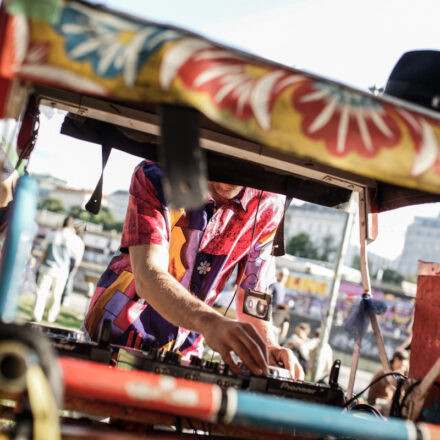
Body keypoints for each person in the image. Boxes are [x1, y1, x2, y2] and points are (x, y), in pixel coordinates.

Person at [83, 160, 303, 379]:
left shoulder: (270, 203)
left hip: (186, 348)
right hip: (115, 334)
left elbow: (255, 291)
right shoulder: (157, 173)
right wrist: (210, 322)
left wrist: (269, 345)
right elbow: (148, 274)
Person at [32, 216, 84, 322]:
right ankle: (51, 317)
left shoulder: (52, 234)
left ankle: (36, 316)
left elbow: (43, 253)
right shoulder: (74, 239)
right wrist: (71, 271)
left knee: (41, 293)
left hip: (47, 268)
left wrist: (42, 264)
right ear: (71, 226)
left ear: (63, 224)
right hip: (62, 271)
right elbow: (77, 260)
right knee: (56, 296)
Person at [61, 224, 85, 306]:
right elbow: (79, 256)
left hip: (68, 259)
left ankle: (63, 297)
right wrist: (76, 266)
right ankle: (66, 298)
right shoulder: (81, 242)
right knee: (69, 280)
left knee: (65, 279)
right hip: (74, 261)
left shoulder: (71, 238)